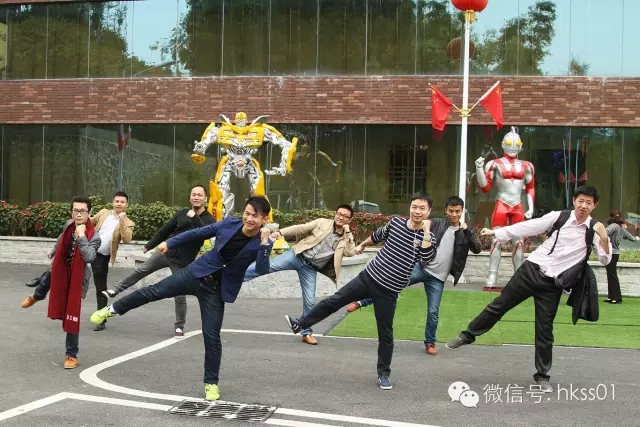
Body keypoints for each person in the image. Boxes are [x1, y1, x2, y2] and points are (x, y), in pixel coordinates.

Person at [89, 196, 274, 401]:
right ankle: (112, 310)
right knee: (153, 291)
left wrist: (265, 243)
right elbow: (198, 233)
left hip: (216, 290)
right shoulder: (230, 223)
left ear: (264, 219)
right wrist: (170, 242)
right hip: (194, 274)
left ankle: (211, 383)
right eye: (247, 213)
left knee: (212, 337)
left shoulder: (262, 242)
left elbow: (262, 269)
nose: (249, 219)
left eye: (255, 216)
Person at [446, 186, 612, 392]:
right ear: (574, 201)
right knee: (499, 305)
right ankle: (467, 335)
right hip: (531, 270)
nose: (584, 206)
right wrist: (497, 232)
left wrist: (604, 238)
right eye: (581, 201)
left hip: (554, 284)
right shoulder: (559, 217)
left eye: (588, 203)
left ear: (594, 205)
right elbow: (530, 226)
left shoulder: (594, 229)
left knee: (545, 329)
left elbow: (605, 259)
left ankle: (542, 376)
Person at [283, 191, 437, 390]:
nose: (417, 211)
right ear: (410, 207)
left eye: (422, 208)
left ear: (429, 211)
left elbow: (426, 258)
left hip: (389, 291)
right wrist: (363, 245)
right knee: (335, 300)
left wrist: (426, 231)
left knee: (385, 333)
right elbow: (377, 236)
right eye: (414, 207)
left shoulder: (428, 237)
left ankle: (384, 374)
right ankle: (301, 324)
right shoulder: (396, 223)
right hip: (368, 278)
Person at [346, 196, 481, 355]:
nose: (454, 214)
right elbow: (415, 225)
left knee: (433, 311)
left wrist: (467, 231)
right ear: (446, 210)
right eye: (451, 211)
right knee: (391, 286)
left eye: (457, 211)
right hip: (421, 267)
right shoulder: (436, 223)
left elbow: (477, 249)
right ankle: (361, 302)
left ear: (462, 211)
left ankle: (430, 343)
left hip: (438, 278)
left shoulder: (465, 232)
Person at [102, 185, 214, 336]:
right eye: (193, 194)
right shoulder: (182, 213)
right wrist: (149, 245)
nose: (196, 197)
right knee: (141, 270)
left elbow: (205, 233)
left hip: (183, 262)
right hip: (166, 253)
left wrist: (194, 217)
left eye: (199, 195)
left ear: (205, 198)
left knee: (179, 295)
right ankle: (116, 289)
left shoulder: (208, 219)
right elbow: (166, 230)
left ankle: (179, 326)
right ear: (190, 197)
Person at [244, 204, 357, 345]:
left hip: (310, 269)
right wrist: (281, 232)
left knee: (310, 301)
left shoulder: (346, 237)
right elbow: (301, 228)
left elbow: (350, 252)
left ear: (349, 220)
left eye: (345, 216)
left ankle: (306, 333)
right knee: (264, 268)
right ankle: (230, 277)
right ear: (336, 214)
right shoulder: (322, 222)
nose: (340, 217)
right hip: (296, 256)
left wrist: (348, 233)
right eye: (339, 214)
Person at [21, 196, 101, 369]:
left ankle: (71, 355)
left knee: (72, 314)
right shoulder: (68, 225)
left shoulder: (94, 236)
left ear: (89, 213)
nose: (78, 214)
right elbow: (60, 239)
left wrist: (81, 236)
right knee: (48, 278)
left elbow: (89, 256)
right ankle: (36, 296)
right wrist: (53, 251)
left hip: (77, 278)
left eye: (82, 211)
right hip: (61, 268)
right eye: (75, 210)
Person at [89, 191, 135, 331]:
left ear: (126, 204)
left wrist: (122, 220)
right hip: (89, 249)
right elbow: (91, 222)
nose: (119, 204)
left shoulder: (128, 223)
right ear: (113, 202)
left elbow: (127, 239)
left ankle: (101, 319)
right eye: (117, 201)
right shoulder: (104, 213)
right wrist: (84, 215)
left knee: (100, 288)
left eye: (122, 202)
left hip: (101, 257)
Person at [604, 209, 640, 304]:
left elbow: (604, 233)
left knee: (612, 275)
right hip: (615, 254)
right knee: (610, 275)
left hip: (611, 253)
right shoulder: (620, 227)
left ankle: (616, 298)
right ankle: (611, 297)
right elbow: (629, 236)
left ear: (611, 216)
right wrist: (636, 238)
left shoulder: (613, 226)